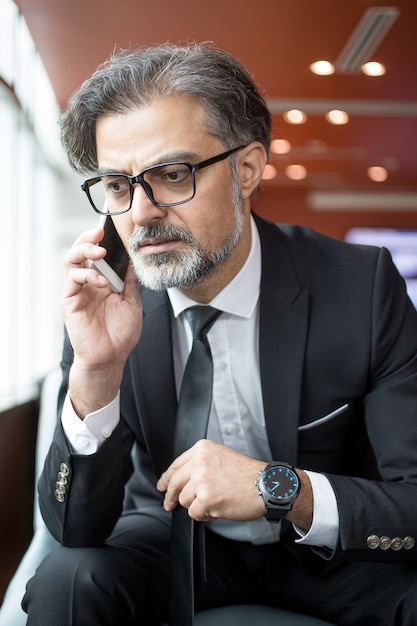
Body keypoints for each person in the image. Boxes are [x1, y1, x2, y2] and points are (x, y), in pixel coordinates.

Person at [23, 42, 417, 626]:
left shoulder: (359, 286)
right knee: (68, 581)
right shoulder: (105, 303)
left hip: (328, 550)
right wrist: (97, 371)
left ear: (248, 168)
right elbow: (72, 529)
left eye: (172, 174)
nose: (140, 212)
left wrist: (282, 489)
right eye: (117, 184)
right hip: (171, 537)